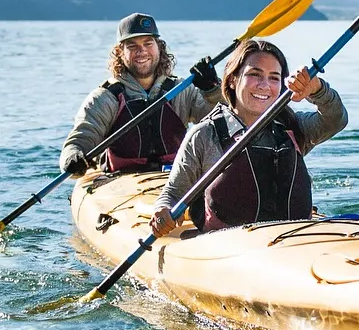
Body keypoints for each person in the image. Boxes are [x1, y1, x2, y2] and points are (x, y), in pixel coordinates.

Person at [149, 39, 347, 236]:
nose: (264, 85)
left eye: (274, 78)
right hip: (228, 245)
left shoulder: (292, 127)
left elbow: (336, 119)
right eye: (254, 74)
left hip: (293, 241)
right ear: (233, 80)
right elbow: (173, 193)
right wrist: (164, 209)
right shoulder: (204, 135)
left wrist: (318, 89)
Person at [60, 13, 222, 176]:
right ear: (120, 52)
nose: (141, 51)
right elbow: (81, 139)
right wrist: (73, 156)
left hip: (175, 176)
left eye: (148, 43)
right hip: (120, 181)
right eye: (132, 46)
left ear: (159, 47)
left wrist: (212, 90)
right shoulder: (105, 98)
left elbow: (223, 125)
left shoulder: (181, 90)